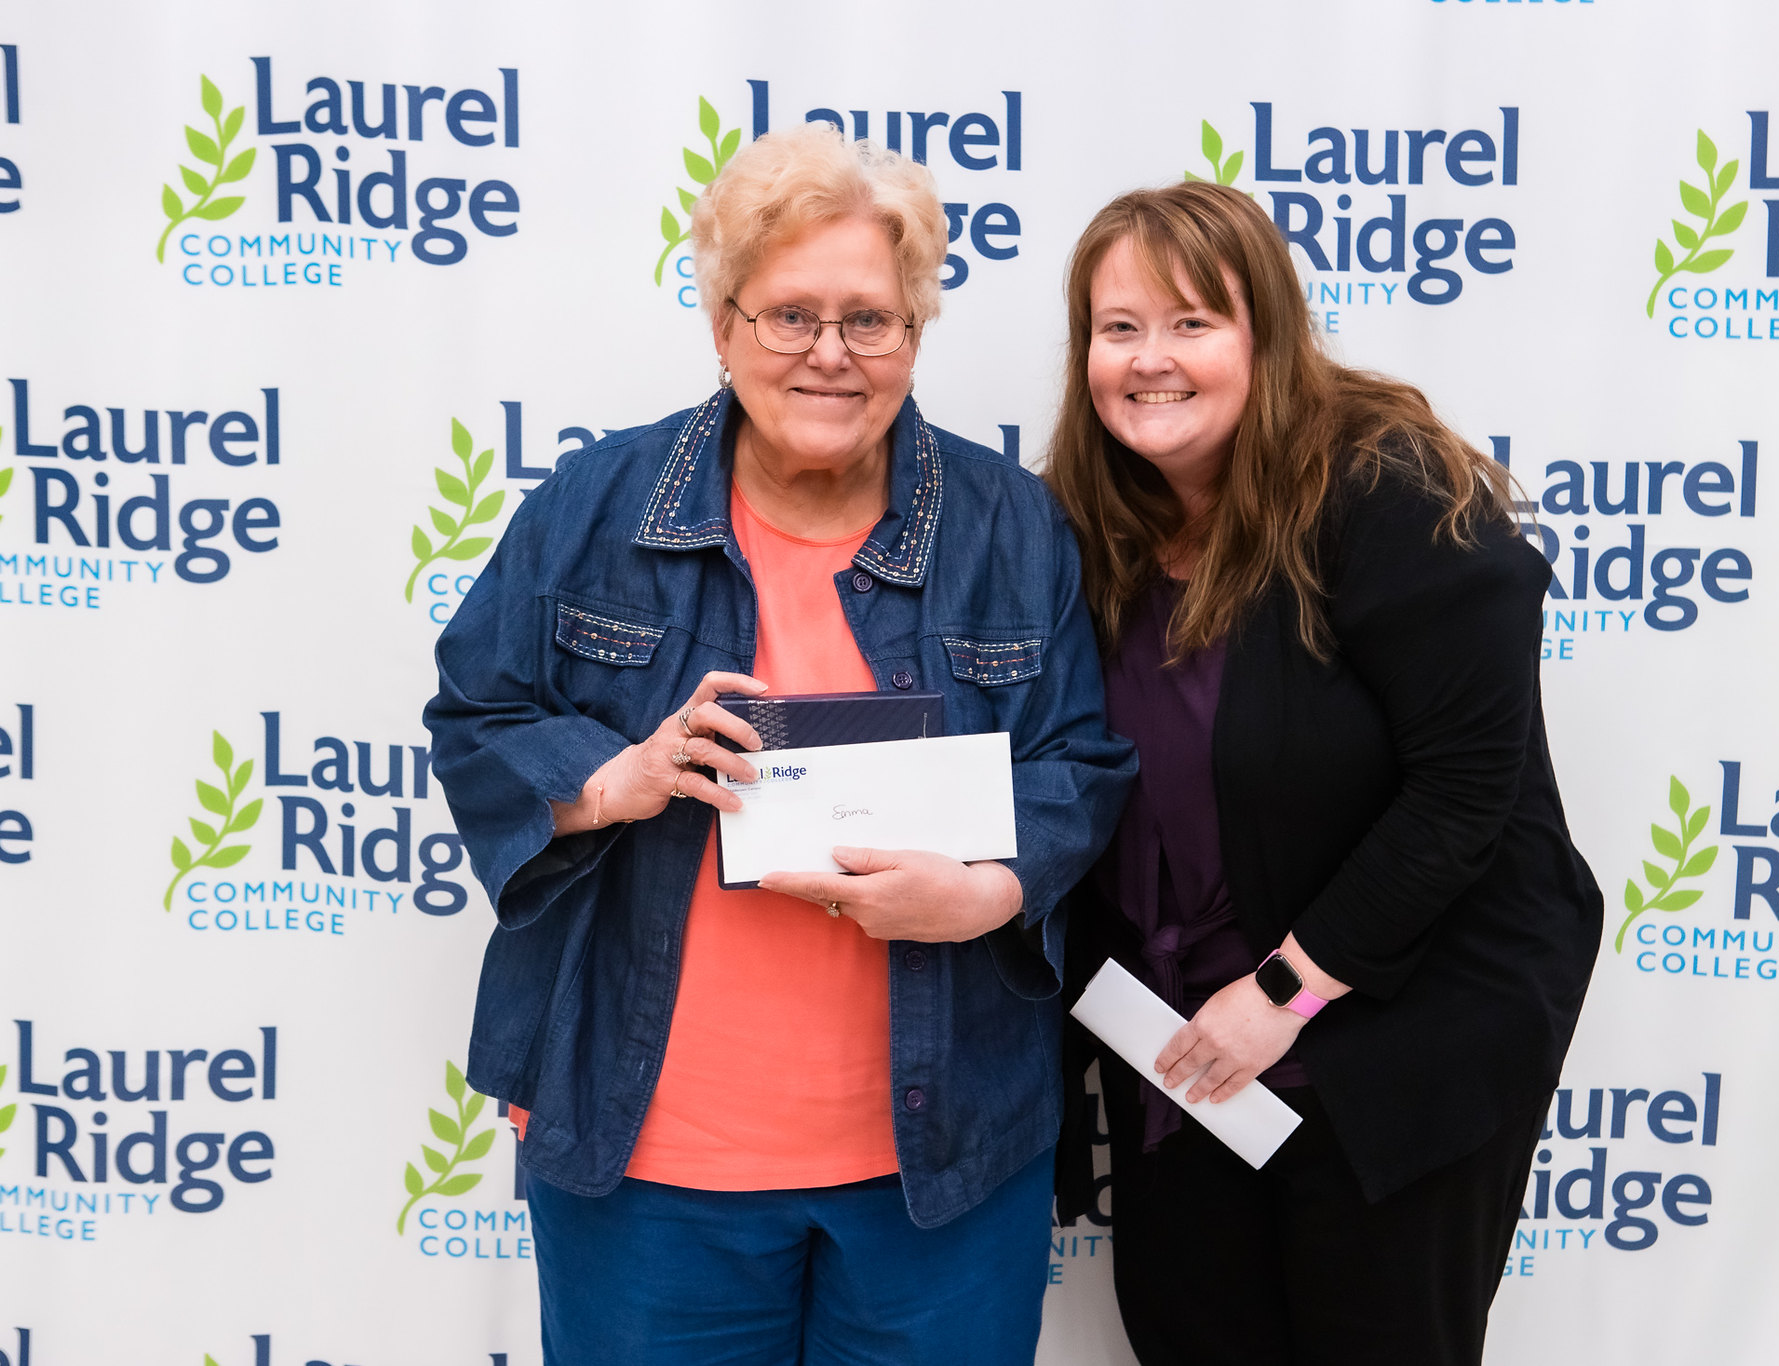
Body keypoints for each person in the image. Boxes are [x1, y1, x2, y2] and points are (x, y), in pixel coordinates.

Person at [423, 123, 1134, 1366]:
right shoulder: (593, 507)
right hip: (648, 1158)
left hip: (941, 1160)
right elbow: (476, 716)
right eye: (789, 315)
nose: (829, 353)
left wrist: (988, 892)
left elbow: (1079, 762)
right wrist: (615, 776)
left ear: (914, 334)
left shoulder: (1009, 524)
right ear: (723, 325)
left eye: (869, 319)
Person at [1044, 181, 1603, 1366]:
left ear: (1267, 335)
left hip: (1389, 1045)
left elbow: (1464, 791)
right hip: (1178, 1052)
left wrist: (1281, 993)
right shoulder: (1086, 526)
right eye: (1118, 327)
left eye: (1192, 322)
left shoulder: (1387, 493)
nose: (1150, 359)